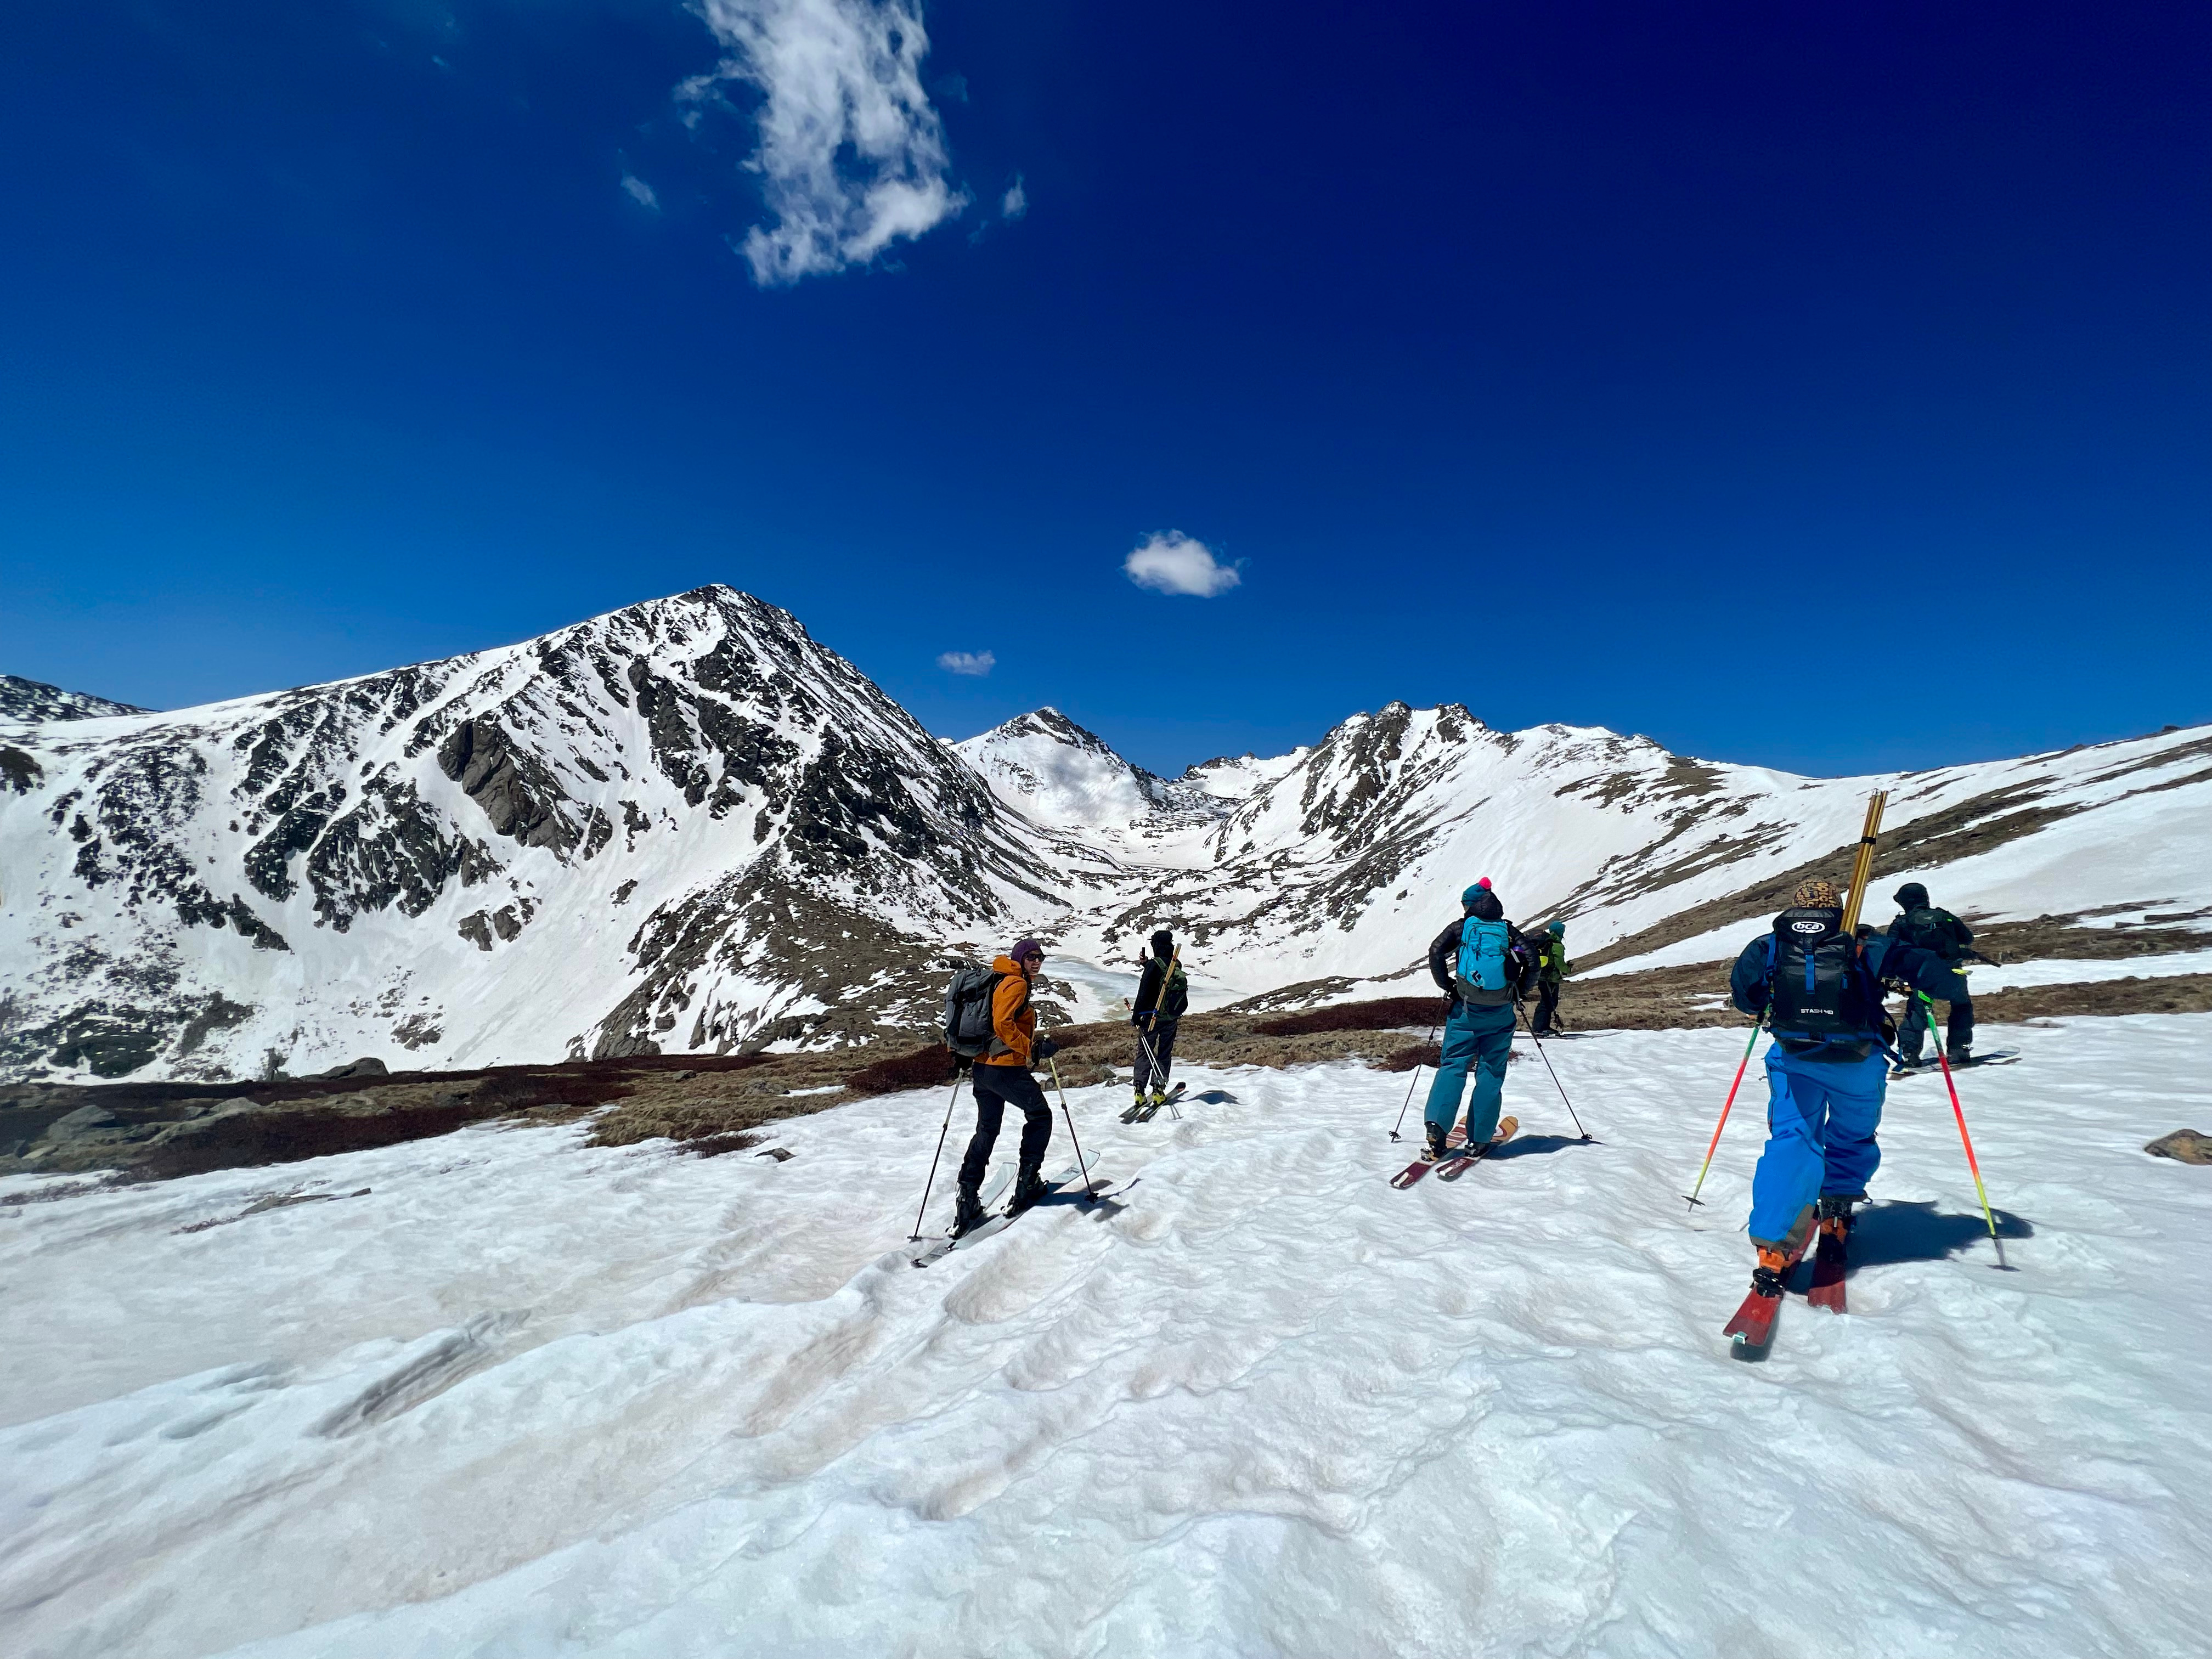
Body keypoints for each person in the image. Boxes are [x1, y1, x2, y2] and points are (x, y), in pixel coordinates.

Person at [1726, 877, 1970, 1302]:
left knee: (1792, 1141)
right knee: (1852, 1134)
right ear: (1838, 907)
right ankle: (1837, 1206)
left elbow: (1746, 999)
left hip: (1794, 1060)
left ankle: (1774, 1245)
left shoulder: (1767, 946)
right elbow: (1944, 981)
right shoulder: (1864, 945)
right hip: (1858, 1062)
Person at [1421, 879, 1539, 1161]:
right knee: (1491, 1072)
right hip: (1500, 1014)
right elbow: (1531, 960)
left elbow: (1436, 951)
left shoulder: (1462, 928)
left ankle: (1437, 1129)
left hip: (1465, 1011)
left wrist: (1448, 986)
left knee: (1453, 1065)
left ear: (1470, 905)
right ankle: (1480, 1138)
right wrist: (1517, 993)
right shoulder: (1507, 932)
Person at [953, 938, 1062, 1235]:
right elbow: (1003, 1023)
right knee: (1040, 1116)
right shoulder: (1016, 984)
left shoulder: (998, 978)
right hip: (1005, 1069)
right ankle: (1028, 1182)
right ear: (1020, 959)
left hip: (982, 1068)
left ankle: (967, 1197)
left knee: (987, 1129)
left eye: (1040, 957)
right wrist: (1033, 1050)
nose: (1037, 962)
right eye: (1031, 957)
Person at [1887, 882, 1976, 1065]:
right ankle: (1959, 1048)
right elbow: (1968, 938)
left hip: (1921, 977)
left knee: (1917, 1010)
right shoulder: (1944, 917)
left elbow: (1890, 950)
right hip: (1952, 974)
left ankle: (1909, 1052)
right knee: (1962, 1006)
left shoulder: (1901, 923)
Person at [1130, 929, 1188, 1110]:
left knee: (1145, 1052)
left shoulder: (1153, 966)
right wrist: (1146, 964)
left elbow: (1144, 992)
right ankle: (1159, 1089)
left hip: (1151, 1019)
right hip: (1170, 1018)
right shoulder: (1175, 962)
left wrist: (1136, 1016)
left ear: (1155, 945)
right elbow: (1162, 973)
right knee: (1164, 1053)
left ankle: (1139, 1091)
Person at [1529, 920, 1570, 1036]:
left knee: (1548, 1002)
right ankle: (1540, 1029)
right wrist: (1568, 970)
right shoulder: (1557, 946)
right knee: (1548, 1003)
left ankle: (1542, 1027)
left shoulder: (1545, 942)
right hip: (1551, 978)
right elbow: (1560, 964)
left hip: (1542, 976)